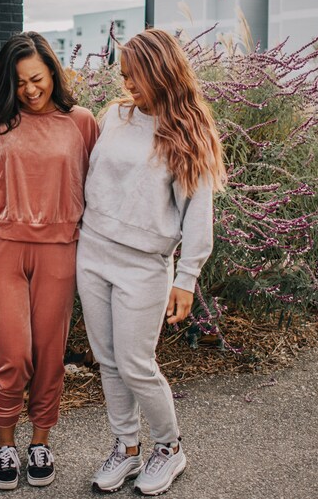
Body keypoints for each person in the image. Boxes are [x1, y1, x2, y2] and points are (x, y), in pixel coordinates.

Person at [76, 28, 226, 496]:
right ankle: (126, 448)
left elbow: (198, 214)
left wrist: (188, 277)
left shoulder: (187, 131)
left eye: (135, 76)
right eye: (123, 76)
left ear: (161, 72)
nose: (128, 86)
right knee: (107, 361)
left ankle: (168, 447)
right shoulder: (116, 115)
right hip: (93, 252)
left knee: (136, 362)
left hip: (144, 265)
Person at [0, 32, 99, 490]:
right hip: (1, 248)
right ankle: (6, 445)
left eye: (37, 78)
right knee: (13, 354)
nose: (30, 89)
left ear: (52, 70)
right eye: (19, 81)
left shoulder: (82, 122)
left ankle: (40, 442)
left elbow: (100, 189)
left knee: (50, 355)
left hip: (59, 249)